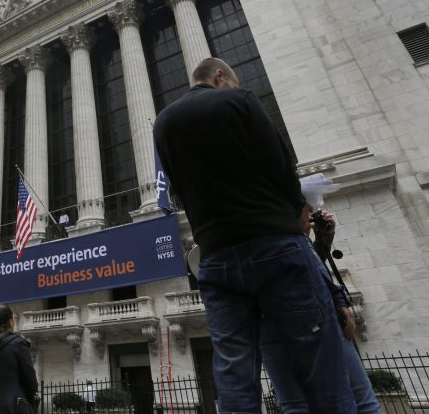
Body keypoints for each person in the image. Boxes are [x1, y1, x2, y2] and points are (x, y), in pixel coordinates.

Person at [152, 58, 356, 413]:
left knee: (234, 374)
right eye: (232, 80)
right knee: (320, 364)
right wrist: (298, 210)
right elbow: (280, 164)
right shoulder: (241, 100)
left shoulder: (163, 122)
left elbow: (177, 188)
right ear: (220, 77)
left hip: (215, 257)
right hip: (274, 245)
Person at [261, 205, 380, 413]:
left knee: (295, 404)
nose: (311, 214)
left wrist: (321, 241)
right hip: (314, 318)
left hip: (267, 323)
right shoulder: (291, 238)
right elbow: (308, 273)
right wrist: (339, 300)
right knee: (361, 399)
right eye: (306, 208)